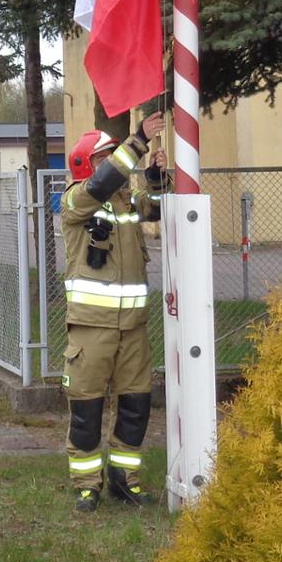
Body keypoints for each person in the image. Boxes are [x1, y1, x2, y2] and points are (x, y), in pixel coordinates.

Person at [61, 111, 167, 512]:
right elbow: (104, 181)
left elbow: (154, 208)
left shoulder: (124, 203)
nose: (113, 163)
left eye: (114, 155)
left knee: (136, 407)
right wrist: (138, 139)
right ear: (90, 164)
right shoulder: (77, 199)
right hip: (91, 329)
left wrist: (155, 177)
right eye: (106, 156)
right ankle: (87, 484)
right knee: (86, 412)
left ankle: (125, 481)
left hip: (133, 330)